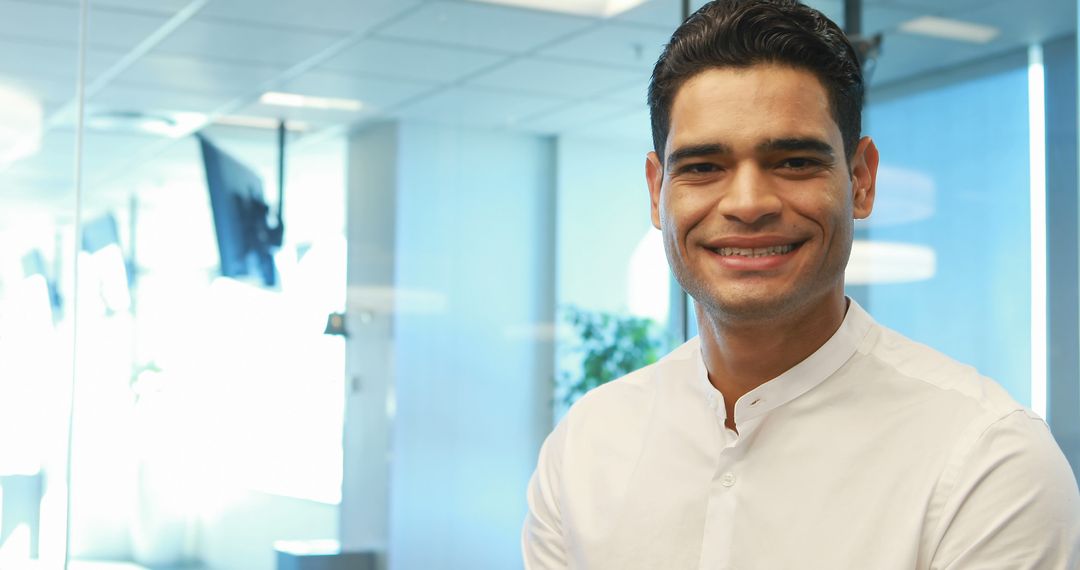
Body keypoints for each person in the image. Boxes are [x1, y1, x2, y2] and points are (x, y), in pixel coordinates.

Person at [522, 0, 1080, 568]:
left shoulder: (987, 461)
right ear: (656, 191)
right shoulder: (586, 446)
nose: (747, 205)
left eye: (792, 161)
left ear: (861, 181)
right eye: (703, 167)